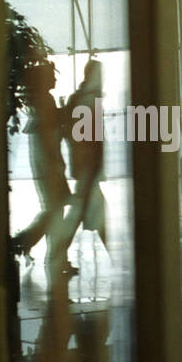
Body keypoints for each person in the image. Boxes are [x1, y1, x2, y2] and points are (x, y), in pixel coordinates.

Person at [13, 61, 73, 271]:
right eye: (52, 76)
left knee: (52, 211)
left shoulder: (38, 102)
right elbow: (52, 127)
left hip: (44, 164)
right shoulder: (45, 101)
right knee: (53, 212)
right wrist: (67, 111)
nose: (55, 79)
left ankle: (52, 255)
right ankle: (24, 242)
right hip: (49, 165)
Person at [63, 59, 109, 252]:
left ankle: (58, 253)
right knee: (91, 213)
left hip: (85, 167)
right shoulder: (86, 99)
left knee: (84, 213)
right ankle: (57, 253)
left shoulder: (81, 98)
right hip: (87, 167)